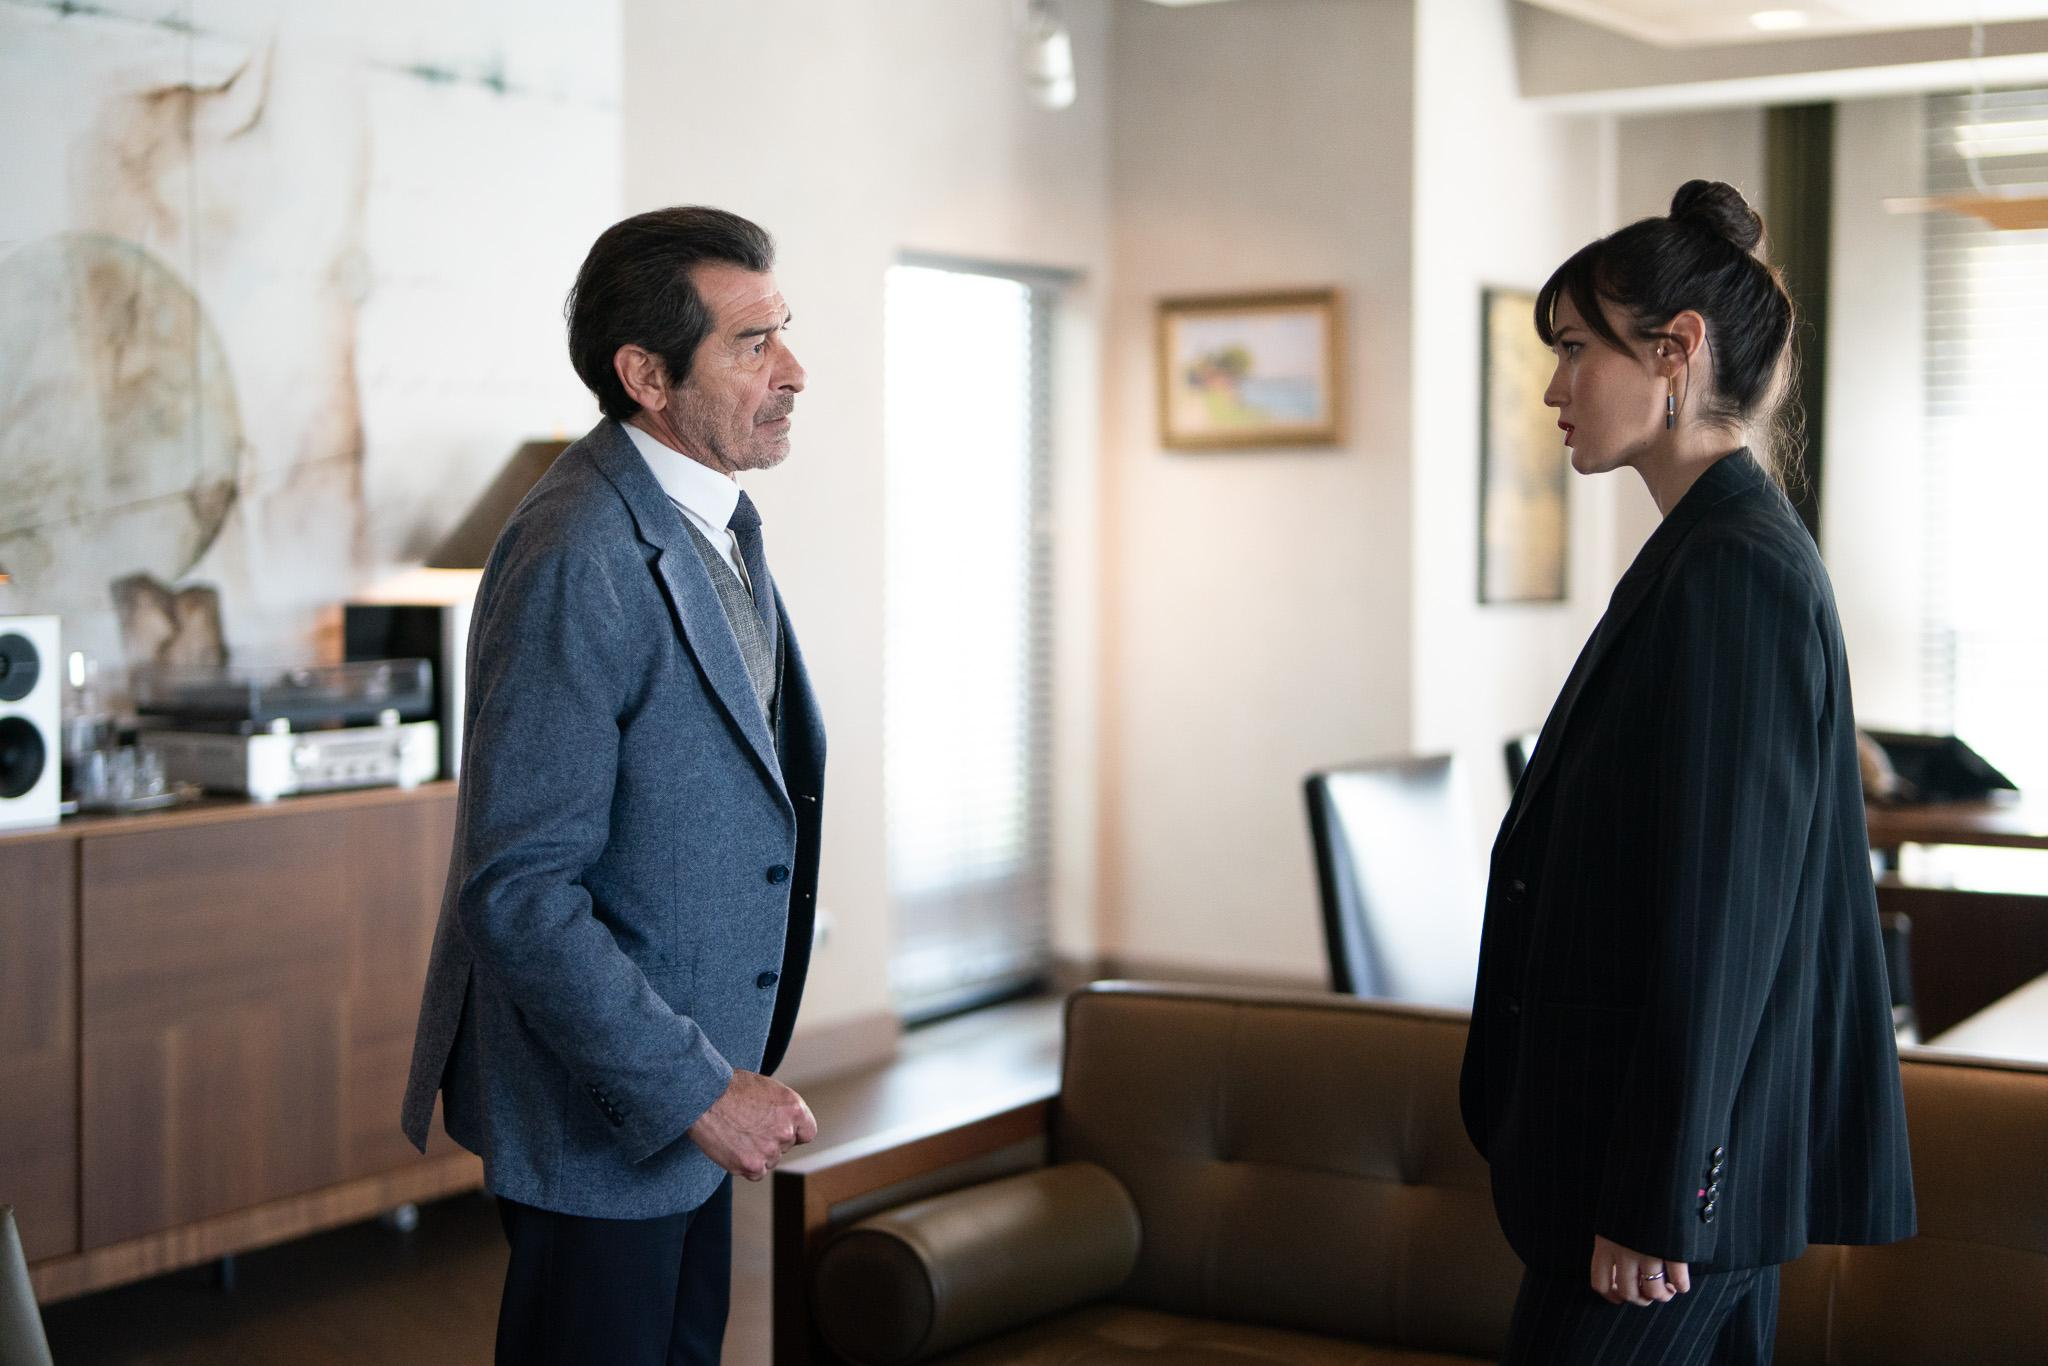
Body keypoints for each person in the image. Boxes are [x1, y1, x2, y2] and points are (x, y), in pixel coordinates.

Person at [1459, 180, 1915, 1364]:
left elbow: (1724, 921)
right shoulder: (1706, 550)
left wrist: (1658, 1194)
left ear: (1674, 350)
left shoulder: (1733, 570)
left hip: (1668, 1207)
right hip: (1674, 1184)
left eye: (1574, 348)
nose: (1553, 387)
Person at [400, 206, 827, 1365]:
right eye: (751, 344)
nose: (792, 371)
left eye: (782, 332)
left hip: (689, 1098)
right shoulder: (577, 551)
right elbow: (520, 891)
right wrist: (696, 1090)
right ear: (645, 375)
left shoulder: (713, 516)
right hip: (608, 1106)